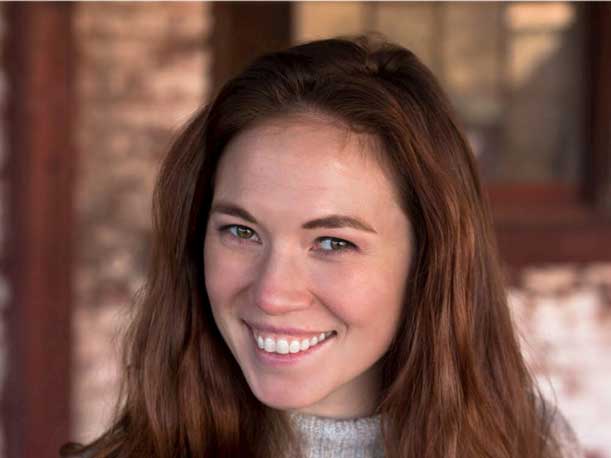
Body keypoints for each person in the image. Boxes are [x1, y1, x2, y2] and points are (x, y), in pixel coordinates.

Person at [60, 34, 583, 458]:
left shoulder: (530, 444)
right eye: (241, 232)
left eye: (332, 242)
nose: (272, 294)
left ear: (429, 258)